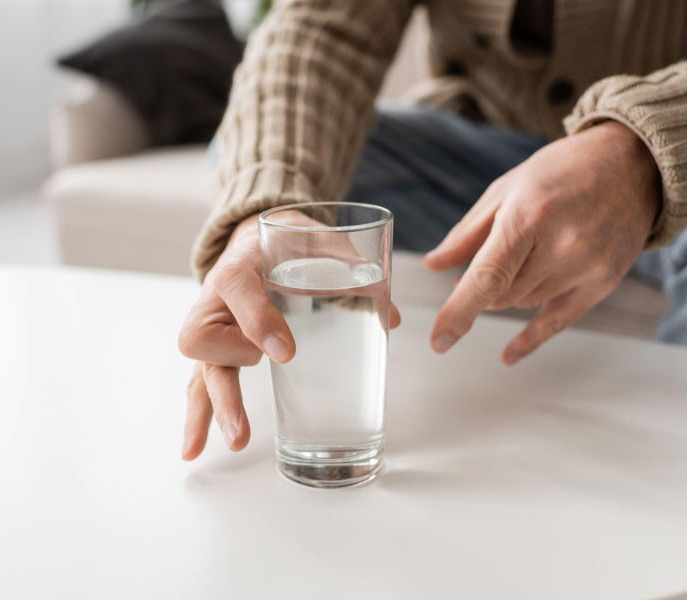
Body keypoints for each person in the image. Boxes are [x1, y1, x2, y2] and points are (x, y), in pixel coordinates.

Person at [178, 0, 687, 460]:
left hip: (670, 149)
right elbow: (320, 28)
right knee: (265, 172)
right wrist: (260, 223)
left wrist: (639, 152)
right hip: (474, 154)